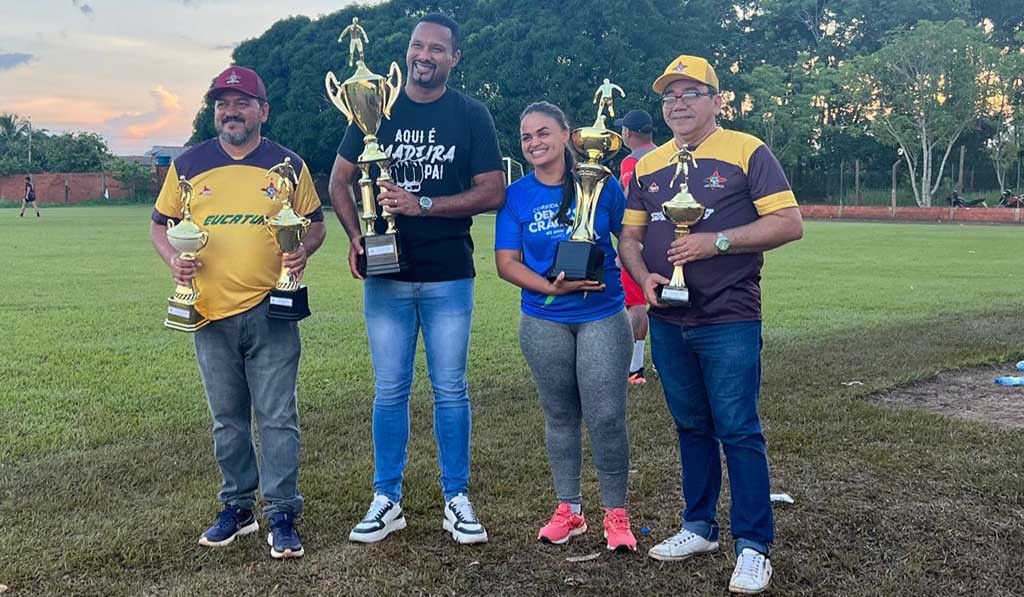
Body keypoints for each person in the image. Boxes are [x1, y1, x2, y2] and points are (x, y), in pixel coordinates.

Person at [618, 55, 803, 594]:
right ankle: (699, 526)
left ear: (716, 101)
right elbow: (630, 238)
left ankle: (753, 545)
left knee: (739, 429)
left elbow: (789, 223)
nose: (677, 104)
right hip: (669, 316)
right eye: (669, 96)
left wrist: (716, 241)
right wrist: (645, 276)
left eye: (690, 93)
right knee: (690, 425)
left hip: (728, 315)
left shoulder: (747, 150)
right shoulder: (648, 166)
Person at [328, 13, 505, 545]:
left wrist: (421, 204)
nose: (423, 55)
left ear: (454, 58)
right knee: (389, 390)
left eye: (436, 48)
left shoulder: (471, 115)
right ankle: (387, 498)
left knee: (450, 390)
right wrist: (357, 236)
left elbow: (492, 190)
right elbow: (339, 181)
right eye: (416, 46)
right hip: (386, 276)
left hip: (449, 274)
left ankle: (457, 497)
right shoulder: (377, 107)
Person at [150, 66, 326, 560]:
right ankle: (238, 507)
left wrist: (303, 250)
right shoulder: (187, 164)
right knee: (227, 420)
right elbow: (160, 226)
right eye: (222, 103)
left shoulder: (288, 165)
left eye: (242, 102)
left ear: (262, 111)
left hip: (273, 308)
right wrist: (173, 262)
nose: (231, 111)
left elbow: (314, 224)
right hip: (208, 312)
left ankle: (283, 511)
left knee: (277, 418)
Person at [495, 102, 637, 551]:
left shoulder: (603, 184)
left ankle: (616, 514)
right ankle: (569, 510)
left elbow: (629, 237)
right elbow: (505, 263)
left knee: (607, 417)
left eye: (543, 133)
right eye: (526, 137)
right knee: (559, 416)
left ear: (567, 136)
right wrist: (550, 287)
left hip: (601, 313)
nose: (534, 142)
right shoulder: (516, 195)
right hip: (543, 319)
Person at [614, 109, 657, 384]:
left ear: (628, 133)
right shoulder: (668, 153)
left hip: (640, 241)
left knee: (636, 303)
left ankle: (634, 368)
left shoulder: (631, 162)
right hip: (668, 238)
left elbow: (629, 203)